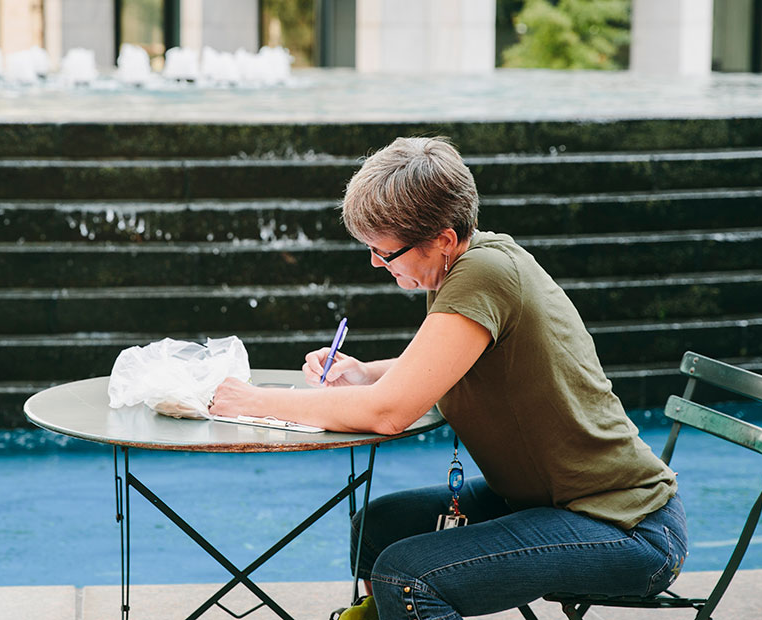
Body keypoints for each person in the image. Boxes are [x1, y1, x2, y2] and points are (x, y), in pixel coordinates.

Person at [209, 136, 687, 620]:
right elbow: (445, 364)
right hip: (536, 500)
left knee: (408, 576)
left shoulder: (483, 273)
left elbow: (389, 413)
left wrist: (254, 400)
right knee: (378, 525)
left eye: (384, 251)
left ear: (440, 238)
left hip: (622, 525)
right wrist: (365, 372)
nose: (376, 262)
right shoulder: (467, 260)